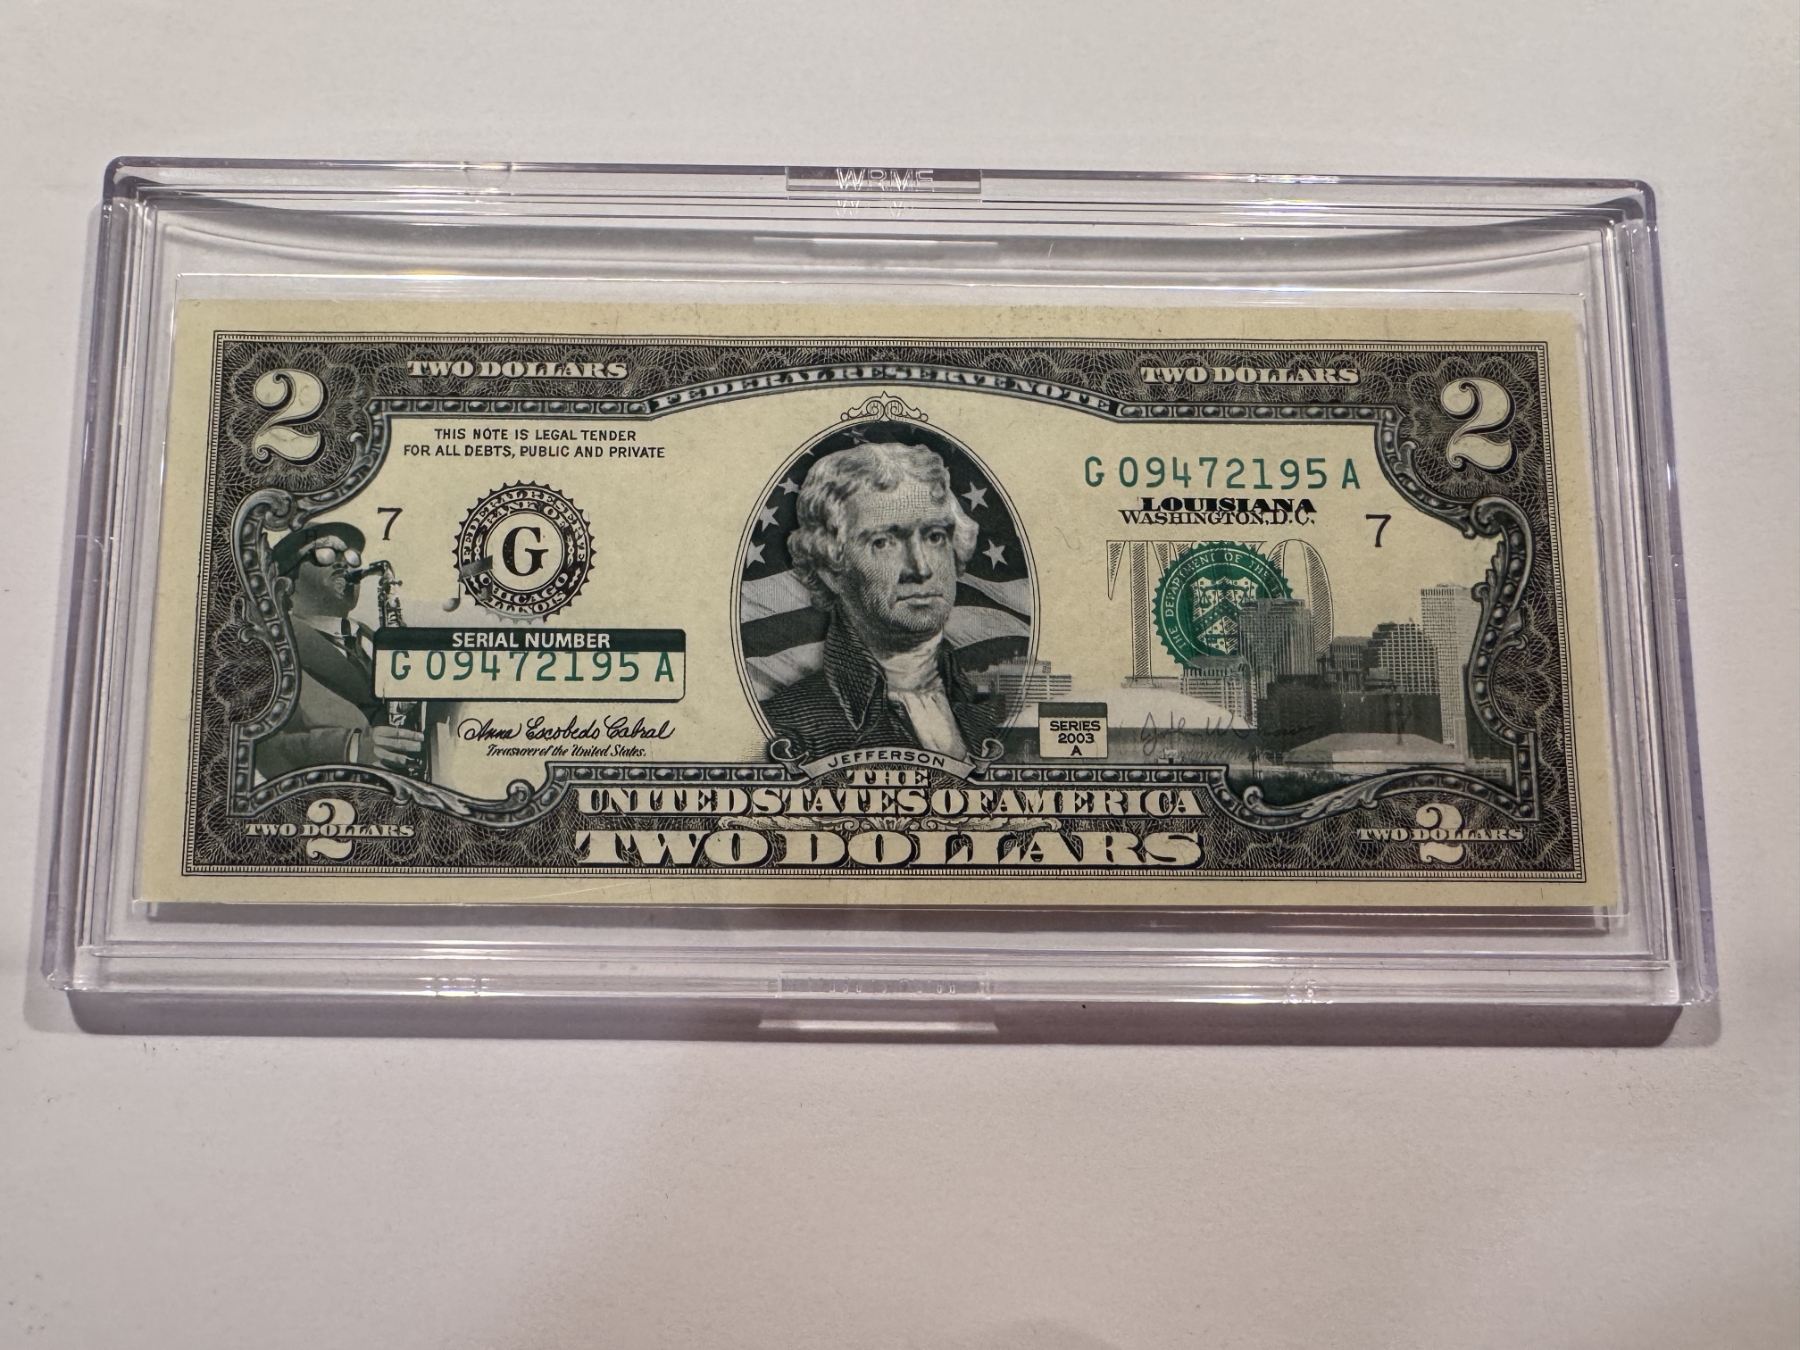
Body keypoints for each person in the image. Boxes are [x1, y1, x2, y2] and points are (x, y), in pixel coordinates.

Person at [760, 443, 1006, 761]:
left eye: (934, 536)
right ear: (830, 569)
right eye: (883, 542)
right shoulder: (783, 727)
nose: (921, 569)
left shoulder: (1000, 711)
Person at [254, 522, 426, 778]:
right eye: (325, 554)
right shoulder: (270, 646)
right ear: (287, 581)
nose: (344, 563)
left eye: (351, 556)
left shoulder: (381, 640)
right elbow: (263, 745)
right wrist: (353, 747)